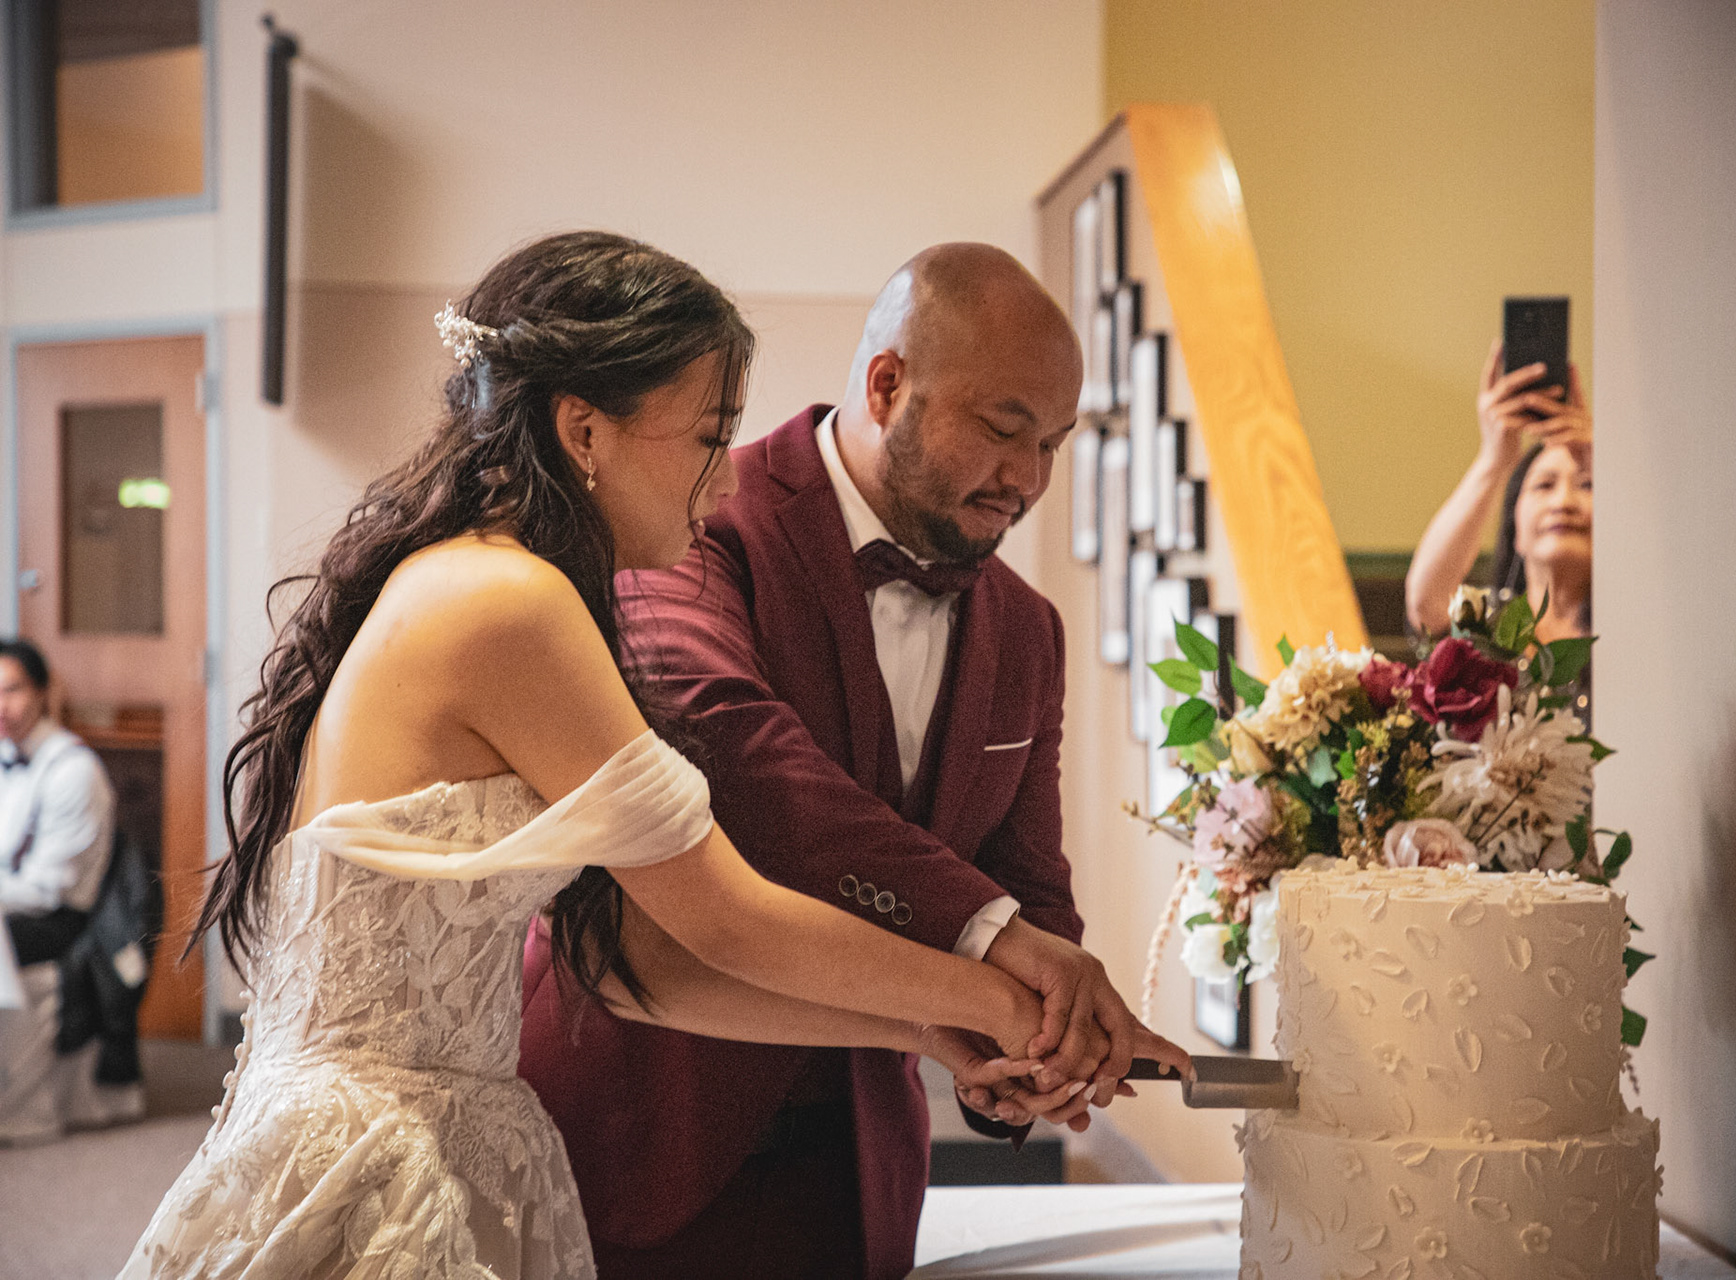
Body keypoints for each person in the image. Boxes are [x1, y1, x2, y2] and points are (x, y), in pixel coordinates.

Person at [118, 233, 1184, 1279]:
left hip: (459, 1130)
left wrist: (934, 1027)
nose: (722, 487)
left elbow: (646, 964)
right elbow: (725, 913)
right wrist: (1001, 1000)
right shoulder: (510, 604)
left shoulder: (494, 582)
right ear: (584, 430)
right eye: (708, 439)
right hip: (389, 1156)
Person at [520, 242, 1143, 1280]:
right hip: (634, 1134)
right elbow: (737, 758)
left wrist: (1038, 1051)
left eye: (1054, 445)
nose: (1029, 479)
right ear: (888, 385)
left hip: (858, 1181)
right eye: (1004, 431)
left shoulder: (1029, 630)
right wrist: (994, 945)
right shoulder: (689, 522)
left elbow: (1029, 880)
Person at [1405, 338, 1593, 646]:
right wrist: (1493, 460)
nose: (1563, 502)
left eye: (1587, 485)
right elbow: (1426, 605)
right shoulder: (1486, 629)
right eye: (1544, 485)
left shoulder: (1639, 623)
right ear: (1514, 525)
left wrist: (1601, 457)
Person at [0, 640, 116, 971]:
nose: (1, 706)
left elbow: (47, 890)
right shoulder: (8, 753)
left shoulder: (73, 769)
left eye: (12, 690)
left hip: (56, 920)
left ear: (41, 692)